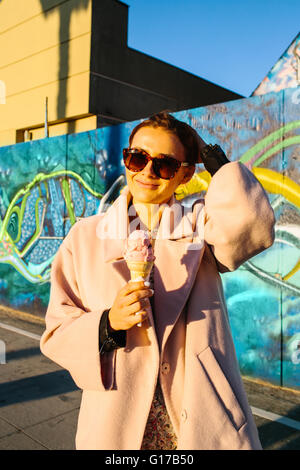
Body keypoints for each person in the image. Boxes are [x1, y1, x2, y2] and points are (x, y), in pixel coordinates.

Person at [40, 112, 275, 450]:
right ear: (126, 161)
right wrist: (108, 323)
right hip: (116, 416)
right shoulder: (85, 237)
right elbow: (57, 330)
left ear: (184, 173)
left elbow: (254, 225)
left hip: (197, 414)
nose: (147, 172)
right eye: (137, 158)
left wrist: (211, 156)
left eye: (164, 165)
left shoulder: (201, 223)